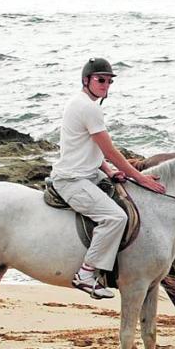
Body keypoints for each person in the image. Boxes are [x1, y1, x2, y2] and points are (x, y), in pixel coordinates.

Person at [49, 57, 166, 299]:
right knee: (115, 217)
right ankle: (86, 273)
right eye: (101, 80)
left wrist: (110, 171)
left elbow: (95, 149)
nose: (106, 85)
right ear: (86, 80)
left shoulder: (85, 103)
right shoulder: (88, 107)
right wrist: (141, 179)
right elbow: (111, 151)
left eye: (109, 81)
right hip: (72, 180)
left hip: (90, 174)